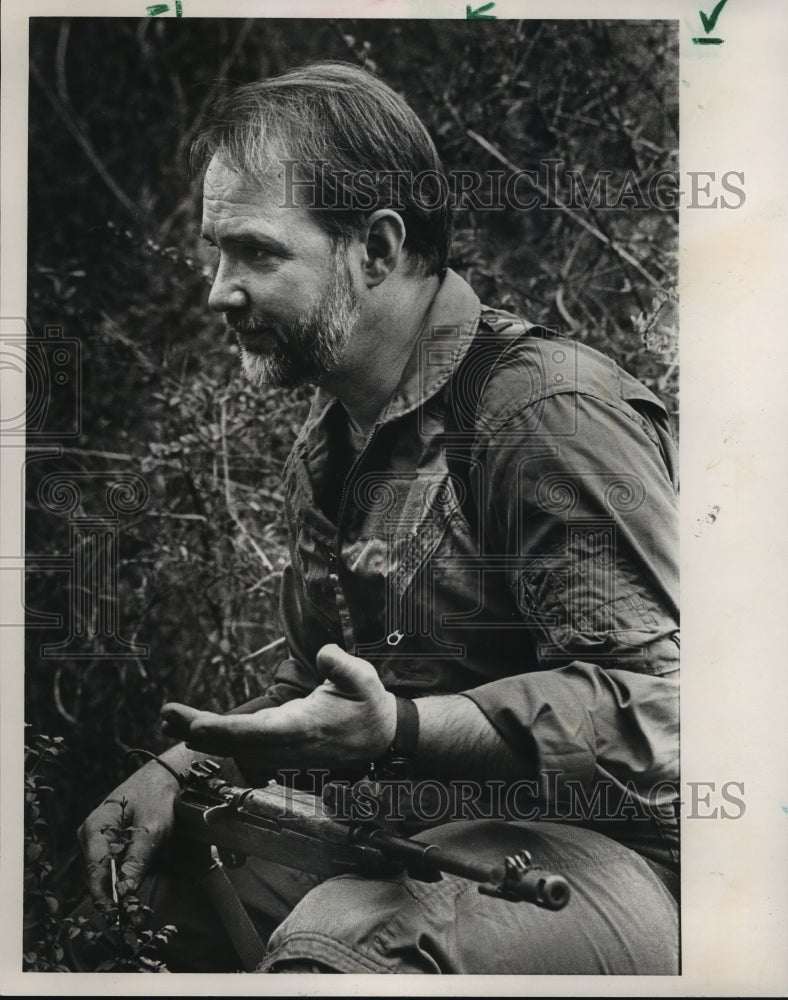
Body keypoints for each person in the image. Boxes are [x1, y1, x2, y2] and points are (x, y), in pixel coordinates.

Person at [76, 61, 680, 975]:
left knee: (348, 943)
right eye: (214, 253)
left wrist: (405, 728)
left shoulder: (543, 414)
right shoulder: (330, 444)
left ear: (377, 248)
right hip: (428, 841)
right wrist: (177, 772)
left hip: (639, 869)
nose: (218, 293)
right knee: (147, 890)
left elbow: (661, 717)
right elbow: (319, 699)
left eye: (257, 253)